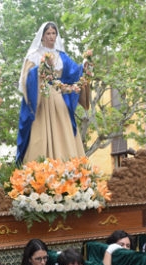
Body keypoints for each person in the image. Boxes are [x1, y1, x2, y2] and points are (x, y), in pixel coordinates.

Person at [16, 22, 90, 164]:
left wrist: (84, 67)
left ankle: (68, 168)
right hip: (41, 99)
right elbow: (26, 79)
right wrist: (41, 67)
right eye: (48, 33)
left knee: (64, 132)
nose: (51, 36)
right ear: (42, 36)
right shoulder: (34, 56)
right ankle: (39, 170)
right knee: (40, 133)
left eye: (53, 33)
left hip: (58, 98)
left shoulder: (61, 56)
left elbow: (75, 74)